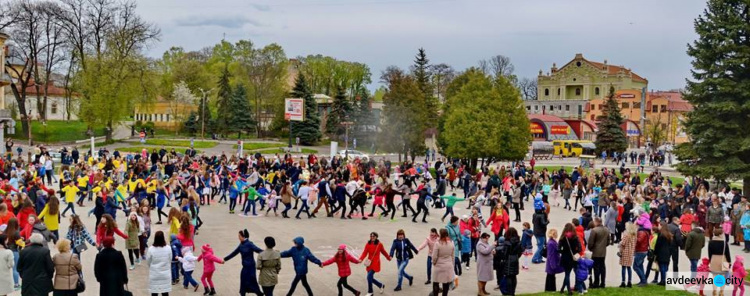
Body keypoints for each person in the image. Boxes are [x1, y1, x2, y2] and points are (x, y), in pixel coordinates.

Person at [223, 229, 263, 296]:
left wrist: (268, 253)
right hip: (245, 266)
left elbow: (258, 250)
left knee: (252, 280)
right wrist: (225, 259)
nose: (238, 237)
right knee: (243, 279)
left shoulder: (250, 244)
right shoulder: (241, 244)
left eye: (239, 236)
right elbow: (234, 252)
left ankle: (258, 293)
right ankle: (243, 293)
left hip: (251, 266)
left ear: (243, 236)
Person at [147, 231, 173, 296]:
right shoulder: (168, 248)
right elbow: (170, 259)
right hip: (165, 274)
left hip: (154, 274)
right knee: (165, 293)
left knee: (154, 293)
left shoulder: (151, 249)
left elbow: (148, 261)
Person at [432, 228, 456, 296]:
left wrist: (434, 263)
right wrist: (452, 265)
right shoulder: (451, 243)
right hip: (448, 266)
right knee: (446, 284)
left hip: (439, 266)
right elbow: (453, 256)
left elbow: (434, 256)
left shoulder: (437, 244)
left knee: (436, 282)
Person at [708, 228, 731, 295]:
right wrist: (729, 262)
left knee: (714, 276)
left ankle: (714, 290)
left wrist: (710, 260)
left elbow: (709, 253)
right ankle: (721, 291)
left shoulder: (711, 242)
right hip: (723, 259)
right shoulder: (724, 243)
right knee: (722, 276)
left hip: (714, 259)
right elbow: (727, 253)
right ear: (720, 234)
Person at [559, 223, 581, 295]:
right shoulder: (575, 237)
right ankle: (565, 289)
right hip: (572, 257)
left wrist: (563, 251)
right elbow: (580, 248)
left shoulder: (563, 237)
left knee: (567, 274)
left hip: (565, 257)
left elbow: (558, 249)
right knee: (567, 274)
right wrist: (575, 251)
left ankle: (566, 289)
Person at [587, 217, 609, 288]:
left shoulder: (594, 230)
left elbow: (591, 242)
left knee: (596, 268)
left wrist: (590, 248)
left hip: (595, 251)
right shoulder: (606, 229)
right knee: (602, 267)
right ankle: (603, 282)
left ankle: (596, 283)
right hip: (603, 251)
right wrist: (603, 246)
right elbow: (608, 241)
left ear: (596, 222)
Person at [618, 222, 636, 288]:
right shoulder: (634, 235)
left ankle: (623, 282)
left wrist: (619, 247)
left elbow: (623, 243)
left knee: (623, 267)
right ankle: (629, 281)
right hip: (631, 252)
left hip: (625, 252)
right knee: (629, 267)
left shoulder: (626, 234)